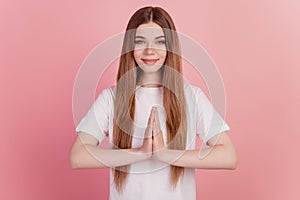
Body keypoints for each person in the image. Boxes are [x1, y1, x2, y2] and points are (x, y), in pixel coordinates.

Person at [69, 6, 238, 200]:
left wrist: (166, 155)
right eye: (140, 41)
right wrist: (139, 153)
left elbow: (229, 156)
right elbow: (78, 156)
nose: (150, 51)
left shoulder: (193, 97)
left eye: (160, 42)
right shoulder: (111, 99)